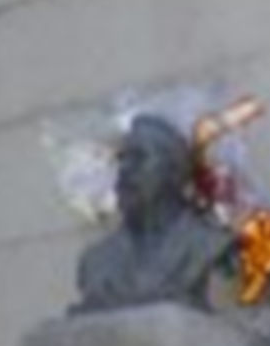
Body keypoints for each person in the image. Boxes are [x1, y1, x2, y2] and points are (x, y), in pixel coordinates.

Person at [73, 113, 233, 312]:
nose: (125, 169)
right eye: (123, 158)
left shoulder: (208, 244)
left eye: (139, 157)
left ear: (174, 173)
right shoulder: (97, 261)